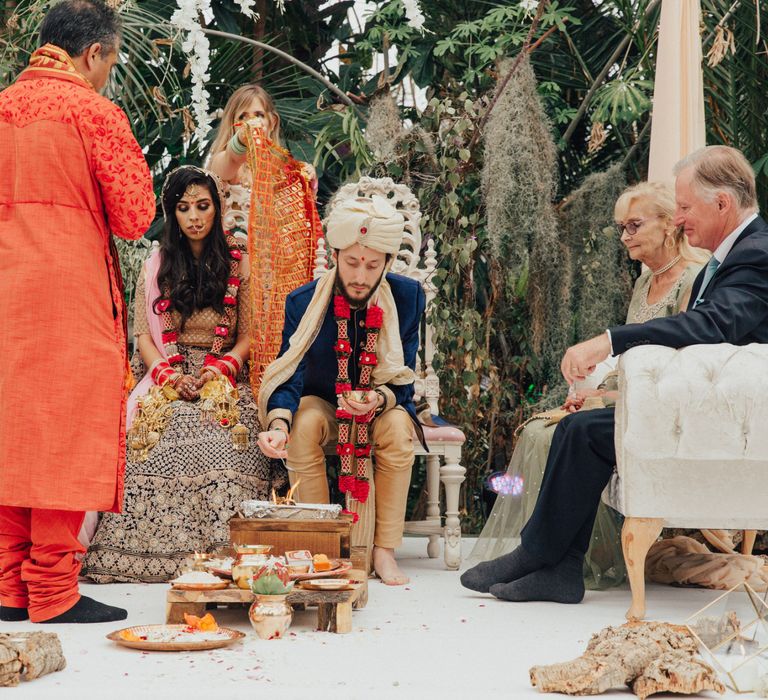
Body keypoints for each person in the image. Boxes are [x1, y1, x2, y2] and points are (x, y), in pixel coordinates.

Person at [461, 145, 768, 604]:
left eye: (684, 207)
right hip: (702, 407)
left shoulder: (756, 253)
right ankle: (558, 569)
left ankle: (537, 555)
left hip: (732, 420)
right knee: (579, 430)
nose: (681, 219)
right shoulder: (734, 254)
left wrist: (609, 340)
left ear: (721, 202)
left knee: (584, 431)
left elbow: (711, 327)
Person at [469, 181, 705, 590]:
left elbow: (680, 363)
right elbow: (631, 358)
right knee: (551, 429)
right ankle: (559, 569)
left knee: (570, 432)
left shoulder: (692, 280)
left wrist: (611, 395)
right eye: (621, 227)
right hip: (629, 399)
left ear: (669, 224)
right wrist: (596, 389)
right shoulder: (643, 283)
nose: (625, 235)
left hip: (665, 409)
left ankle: (543, 556)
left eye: (634, 224)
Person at [0, 0, 155, 624]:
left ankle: (10, 588)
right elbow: (137, 215)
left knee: (12, 431)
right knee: (61, 432)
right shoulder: (93, 112)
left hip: (7, 296)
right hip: (67, 295)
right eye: (110, 62)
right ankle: (53, 592)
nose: (108, 73)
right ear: (92, 54)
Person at [82, 166, 287, 583]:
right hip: (165, 372)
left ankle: (230, 555)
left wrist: (218, 370)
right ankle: (148, 556)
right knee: (154, 435)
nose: (194, 216)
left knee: (231, 434)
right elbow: (143, 336)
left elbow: (246, 337)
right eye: (183, 208)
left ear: (218, 208)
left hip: (224, 373)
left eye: (203, 206)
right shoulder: (157, 264)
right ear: (171, 213)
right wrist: (168, 376)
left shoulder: (237, 262)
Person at [256, 194, 425, 585]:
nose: (361, 276)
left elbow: (404, 379)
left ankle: (383, 551)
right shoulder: (303, 301)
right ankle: (323, 547)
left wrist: (377, 398)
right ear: (335, 255)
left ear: (386, 263)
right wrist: (278, 425)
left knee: (401, 431)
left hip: (380, 407)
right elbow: (289, 374)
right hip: (327, 406)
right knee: (302, 425)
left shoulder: (407, 297)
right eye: (351, 262)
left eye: (371, 265)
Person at [208, 83, 321, 388]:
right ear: (234, 123)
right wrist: (243, 140)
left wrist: (305, 181)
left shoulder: (289, 170)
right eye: (243, 115)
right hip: (234, 278)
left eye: (259, 114)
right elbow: (224, 165)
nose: (253, 121)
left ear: (272, 121)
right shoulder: (225, 163)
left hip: (279, 276)